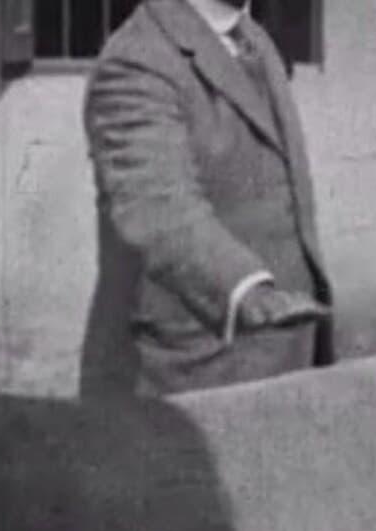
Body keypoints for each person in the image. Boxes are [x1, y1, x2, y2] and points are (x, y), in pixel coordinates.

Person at [81, 0, 333, 397]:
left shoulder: (253, 38)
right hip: (191, 377)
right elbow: (157, 204)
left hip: (280, 362)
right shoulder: (136, 60)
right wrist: (244, 289)